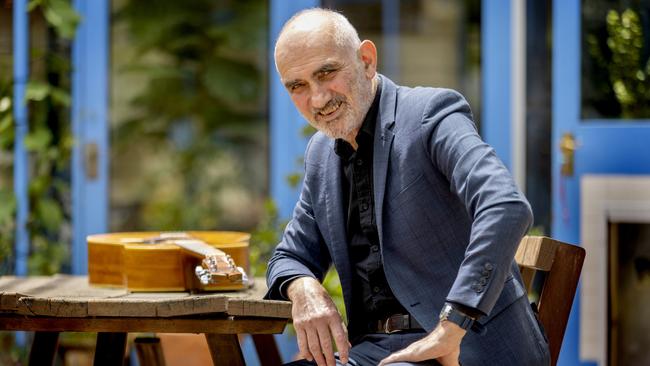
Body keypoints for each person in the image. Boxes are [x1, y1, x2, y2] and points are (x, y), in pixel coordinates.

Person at [265, 8, 550, 366]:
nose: (318, 99)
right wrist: (302, 288)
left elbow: (505, 205)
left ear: (366, 60)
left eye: (327, 73)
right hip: (372, 354)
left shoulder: (431, 114)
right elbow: (290, 256)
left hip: (464, 349)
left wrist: (455, 322)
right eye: (298, 86)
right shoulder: (321, 154)